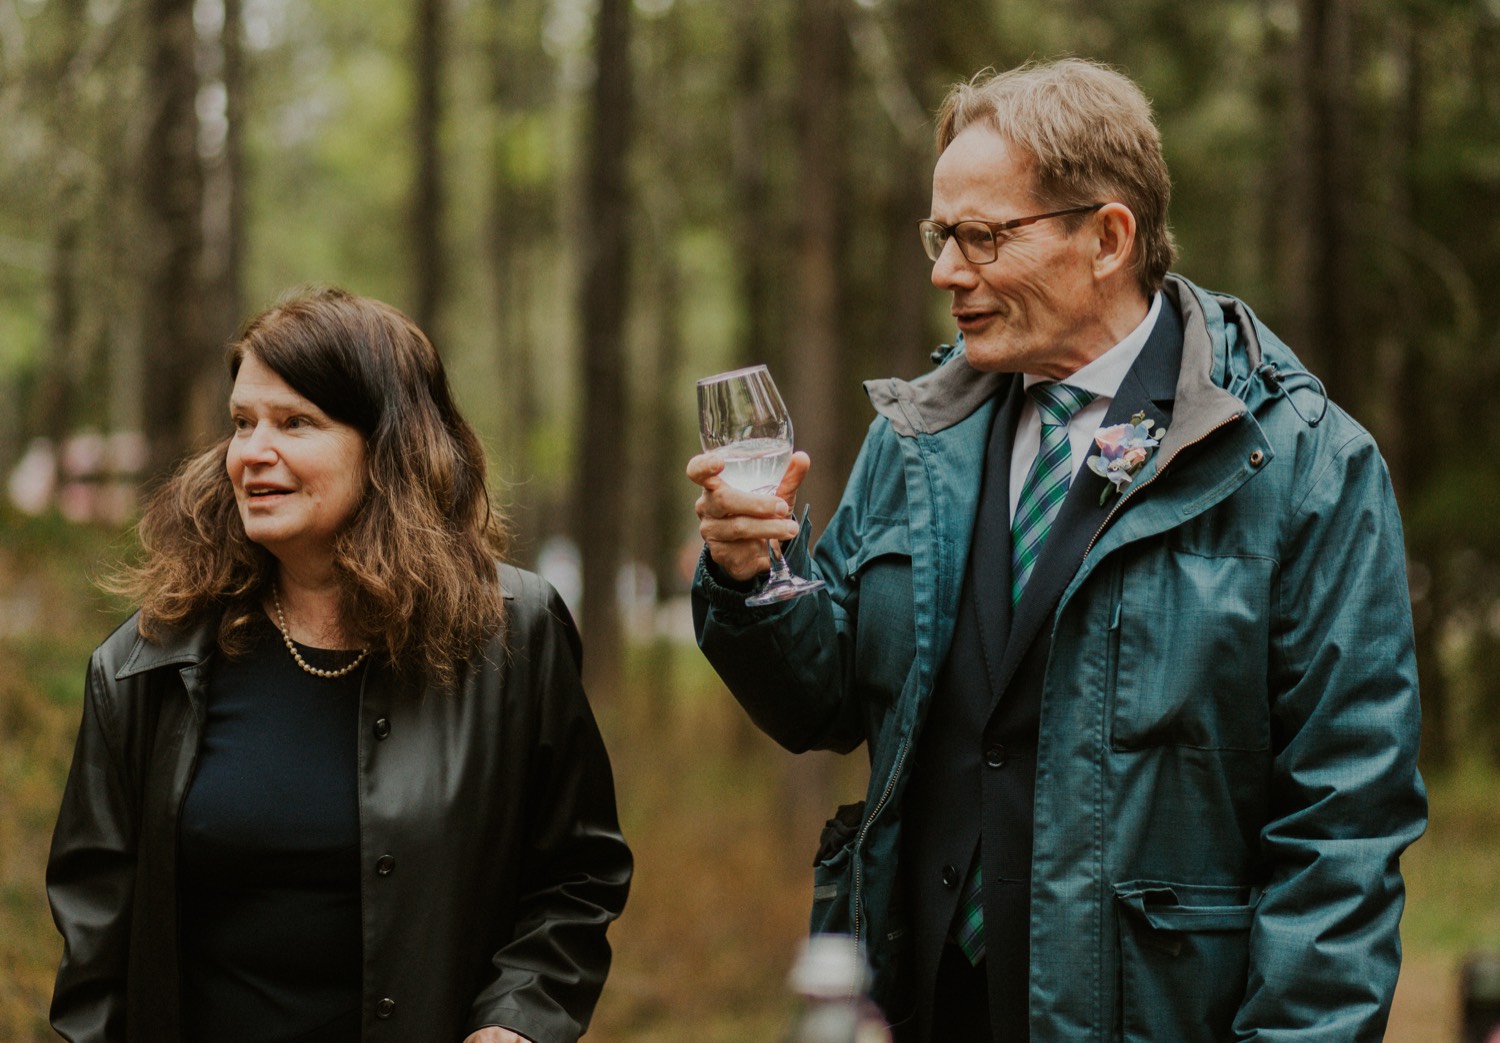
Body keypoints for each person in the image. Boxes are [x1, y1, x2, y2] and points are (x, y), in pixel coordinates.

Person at [687, 58, 1426, 1041]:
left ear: (1109, 236)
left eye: (984, 236)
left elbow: (1342, 836)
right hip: (918, 1006)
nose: (948, 270)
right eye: (940, 236)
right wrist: (753, 582)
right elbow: (820, 701)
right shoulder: (917, 438)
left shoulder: (1303, 467)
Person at [47, 287, 632, 1043]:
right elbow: (94, 950)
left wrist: (518, 1019)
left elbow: (577, 874)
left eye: (297, 423)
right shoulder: (145, 665)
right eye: (242, 423)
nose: (254, 452)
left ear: (388, 445)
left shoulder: (512, 635)